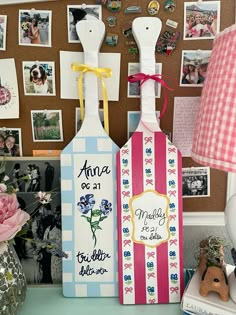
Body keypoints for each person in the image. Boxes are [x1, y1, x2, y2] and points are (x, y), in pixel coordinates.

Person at [43, 205, 62, 284]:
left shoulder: (71, 228)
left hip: (69, 259)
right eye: (55, 213)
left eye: (59, 213)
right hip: (55, 261)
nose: (57, 216)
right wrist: (50, 250)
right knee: (56, 282)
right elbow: (45, 246)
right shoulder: (49, 229)